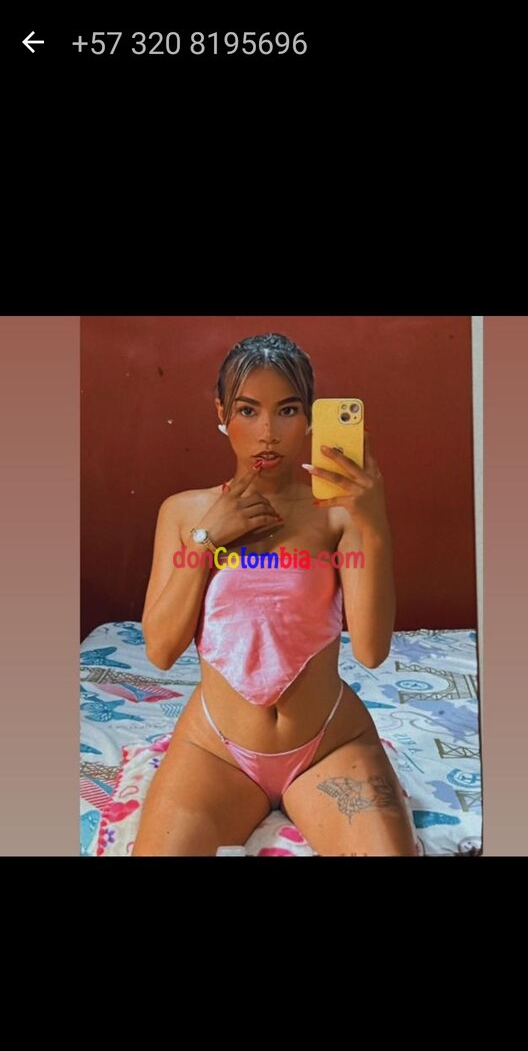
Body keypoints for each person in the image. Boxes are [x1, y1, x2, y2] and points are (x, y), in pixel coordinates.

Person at [134, 332, 420, 856]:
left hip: (329, 744)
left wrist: (374, 524)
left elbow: (371, 651)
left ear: (309, 416)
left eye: (287, 410)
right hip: (215, 750)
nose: (268, 433)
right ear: (222, 413)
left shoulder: (338, 515)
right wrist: (206, 541)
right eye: (248, 410)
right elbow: (160, 650)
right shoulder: (183, 512)